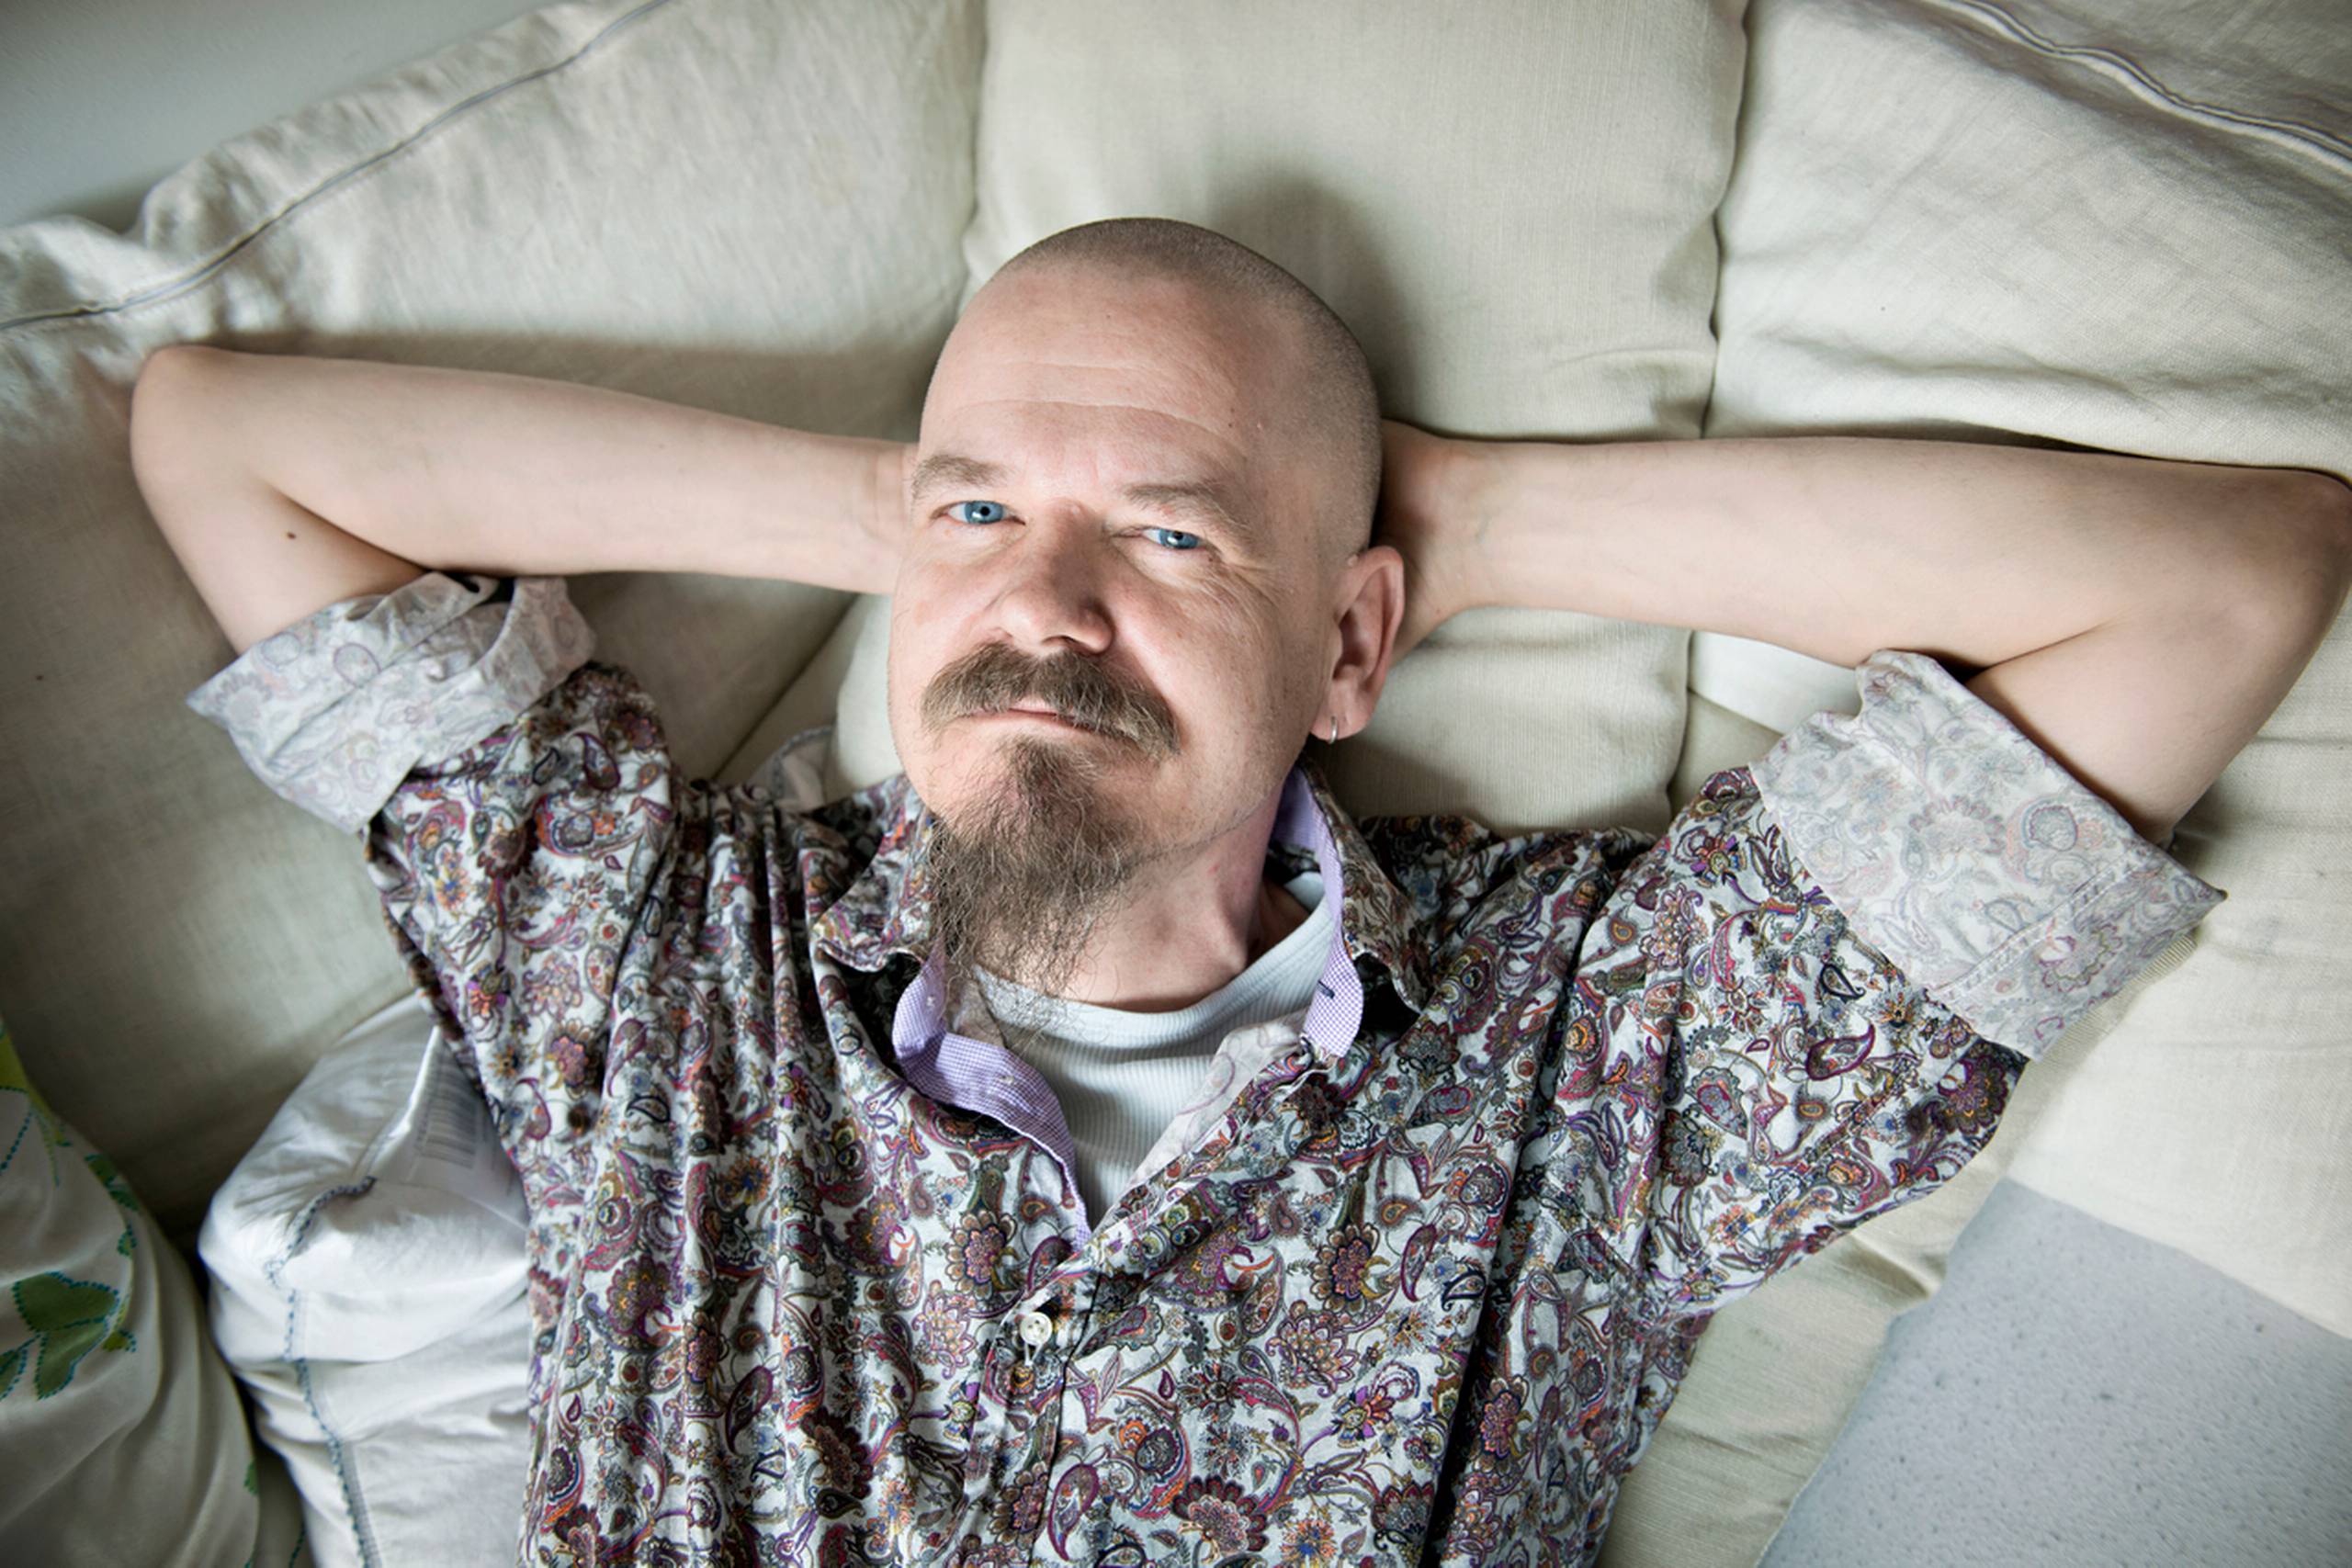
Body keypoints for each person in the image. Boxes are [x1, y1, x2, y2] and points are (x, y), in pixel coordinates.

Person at [133, 217, 2349, 1565]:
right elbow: (228, 442)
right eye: (981, 519)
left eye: (1170, 538)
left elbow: (2222, 576)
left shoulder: (1589, 1047)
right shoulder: (659, 950)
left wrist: (1447, 524)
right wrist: (933, 520)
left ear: (1355, 643)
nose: (1049, 609)